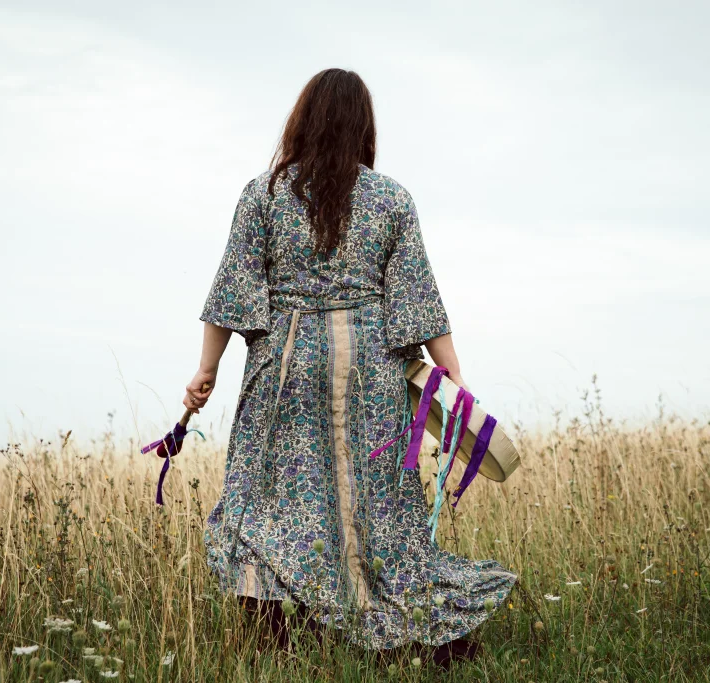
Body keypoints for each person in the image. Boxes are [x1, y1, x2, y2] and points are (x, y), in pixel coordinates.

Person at [183, 68, 517, 668]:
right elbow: (418, 300)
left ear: (303, 119)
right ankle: (431, 638)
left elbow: (232, 291)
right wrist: (455, 378)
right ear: (364, 126)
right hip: (372, 373)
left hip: (284, 368)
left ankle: (280, 643)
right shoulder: (391, 198)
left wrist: (205, 373)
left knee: (272, 502)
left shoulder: (262, 193)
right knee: (380, 511)